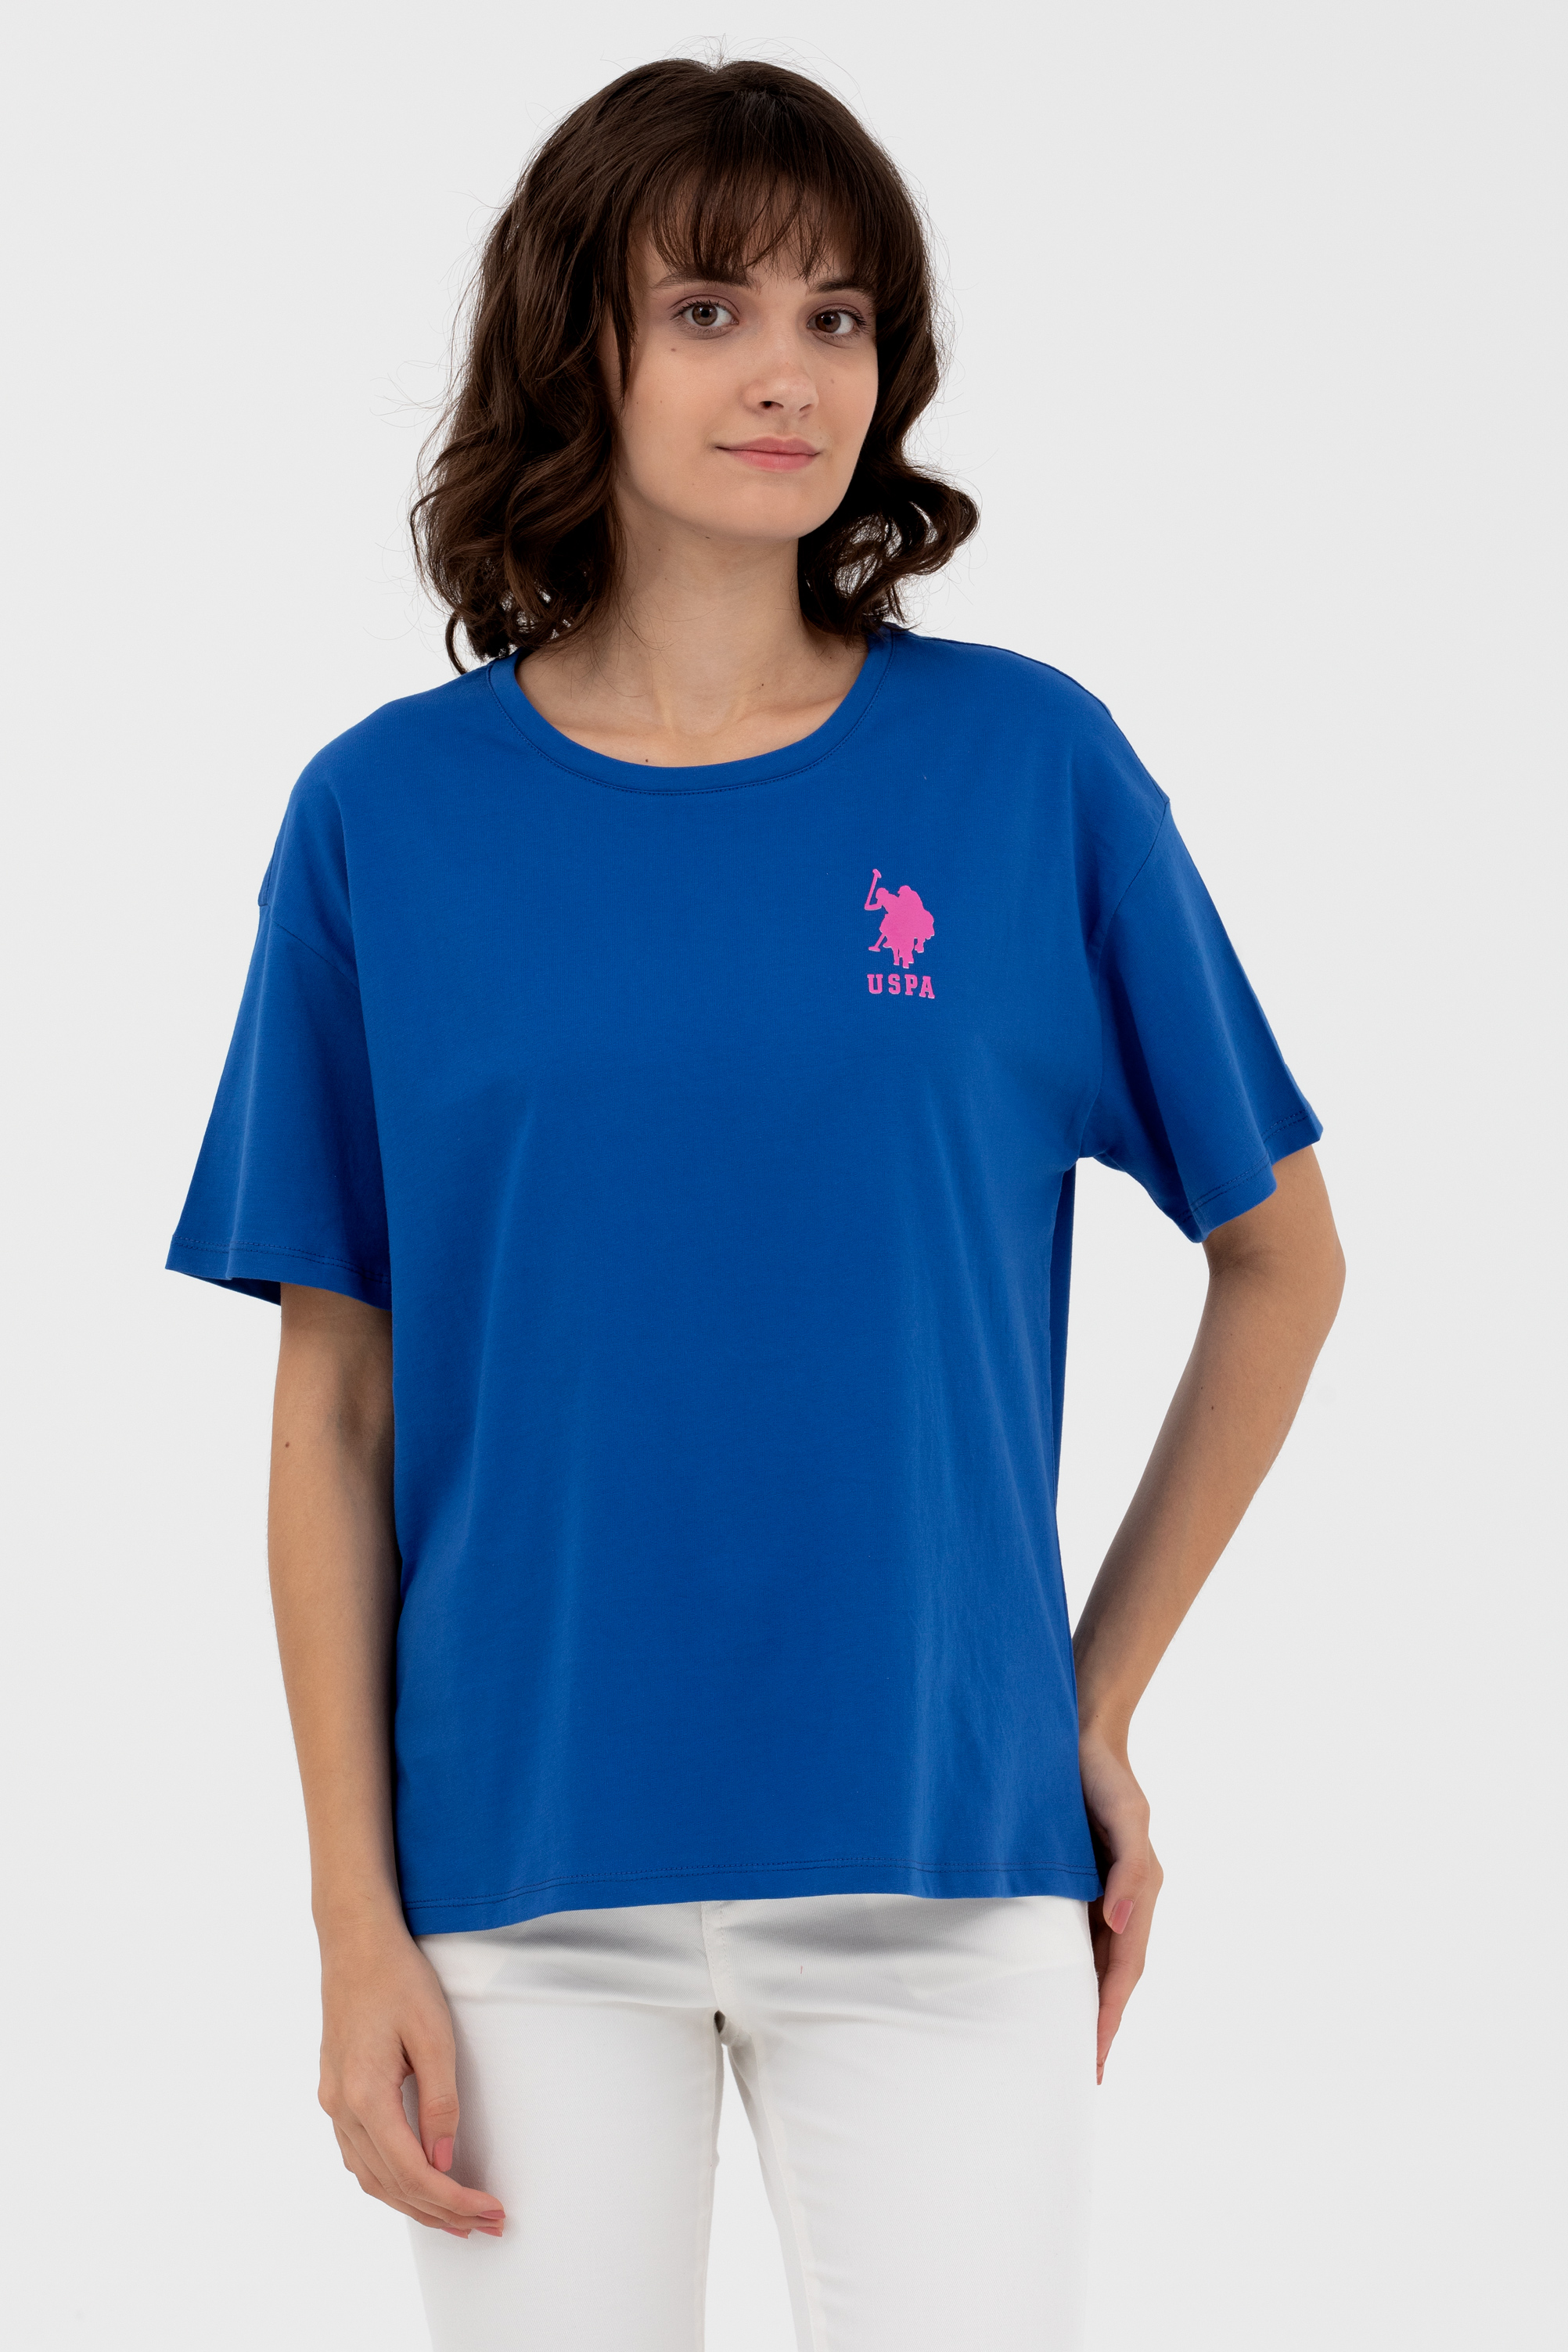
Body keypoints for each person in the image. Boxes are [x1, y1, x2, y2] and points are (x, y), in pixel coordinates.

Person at [167, 56, 1345, 2352]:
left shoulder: (1026, 770)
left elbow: (1281, 1259)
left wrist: (1084, 1701)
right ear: (579, 349)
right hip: (515, 1883)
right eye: (707, 308)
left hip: (941, 1861)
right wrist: (348, 1919)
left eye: (838, 315)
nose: (786, 372)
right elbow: (333, 1411)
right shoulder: (384, 819)